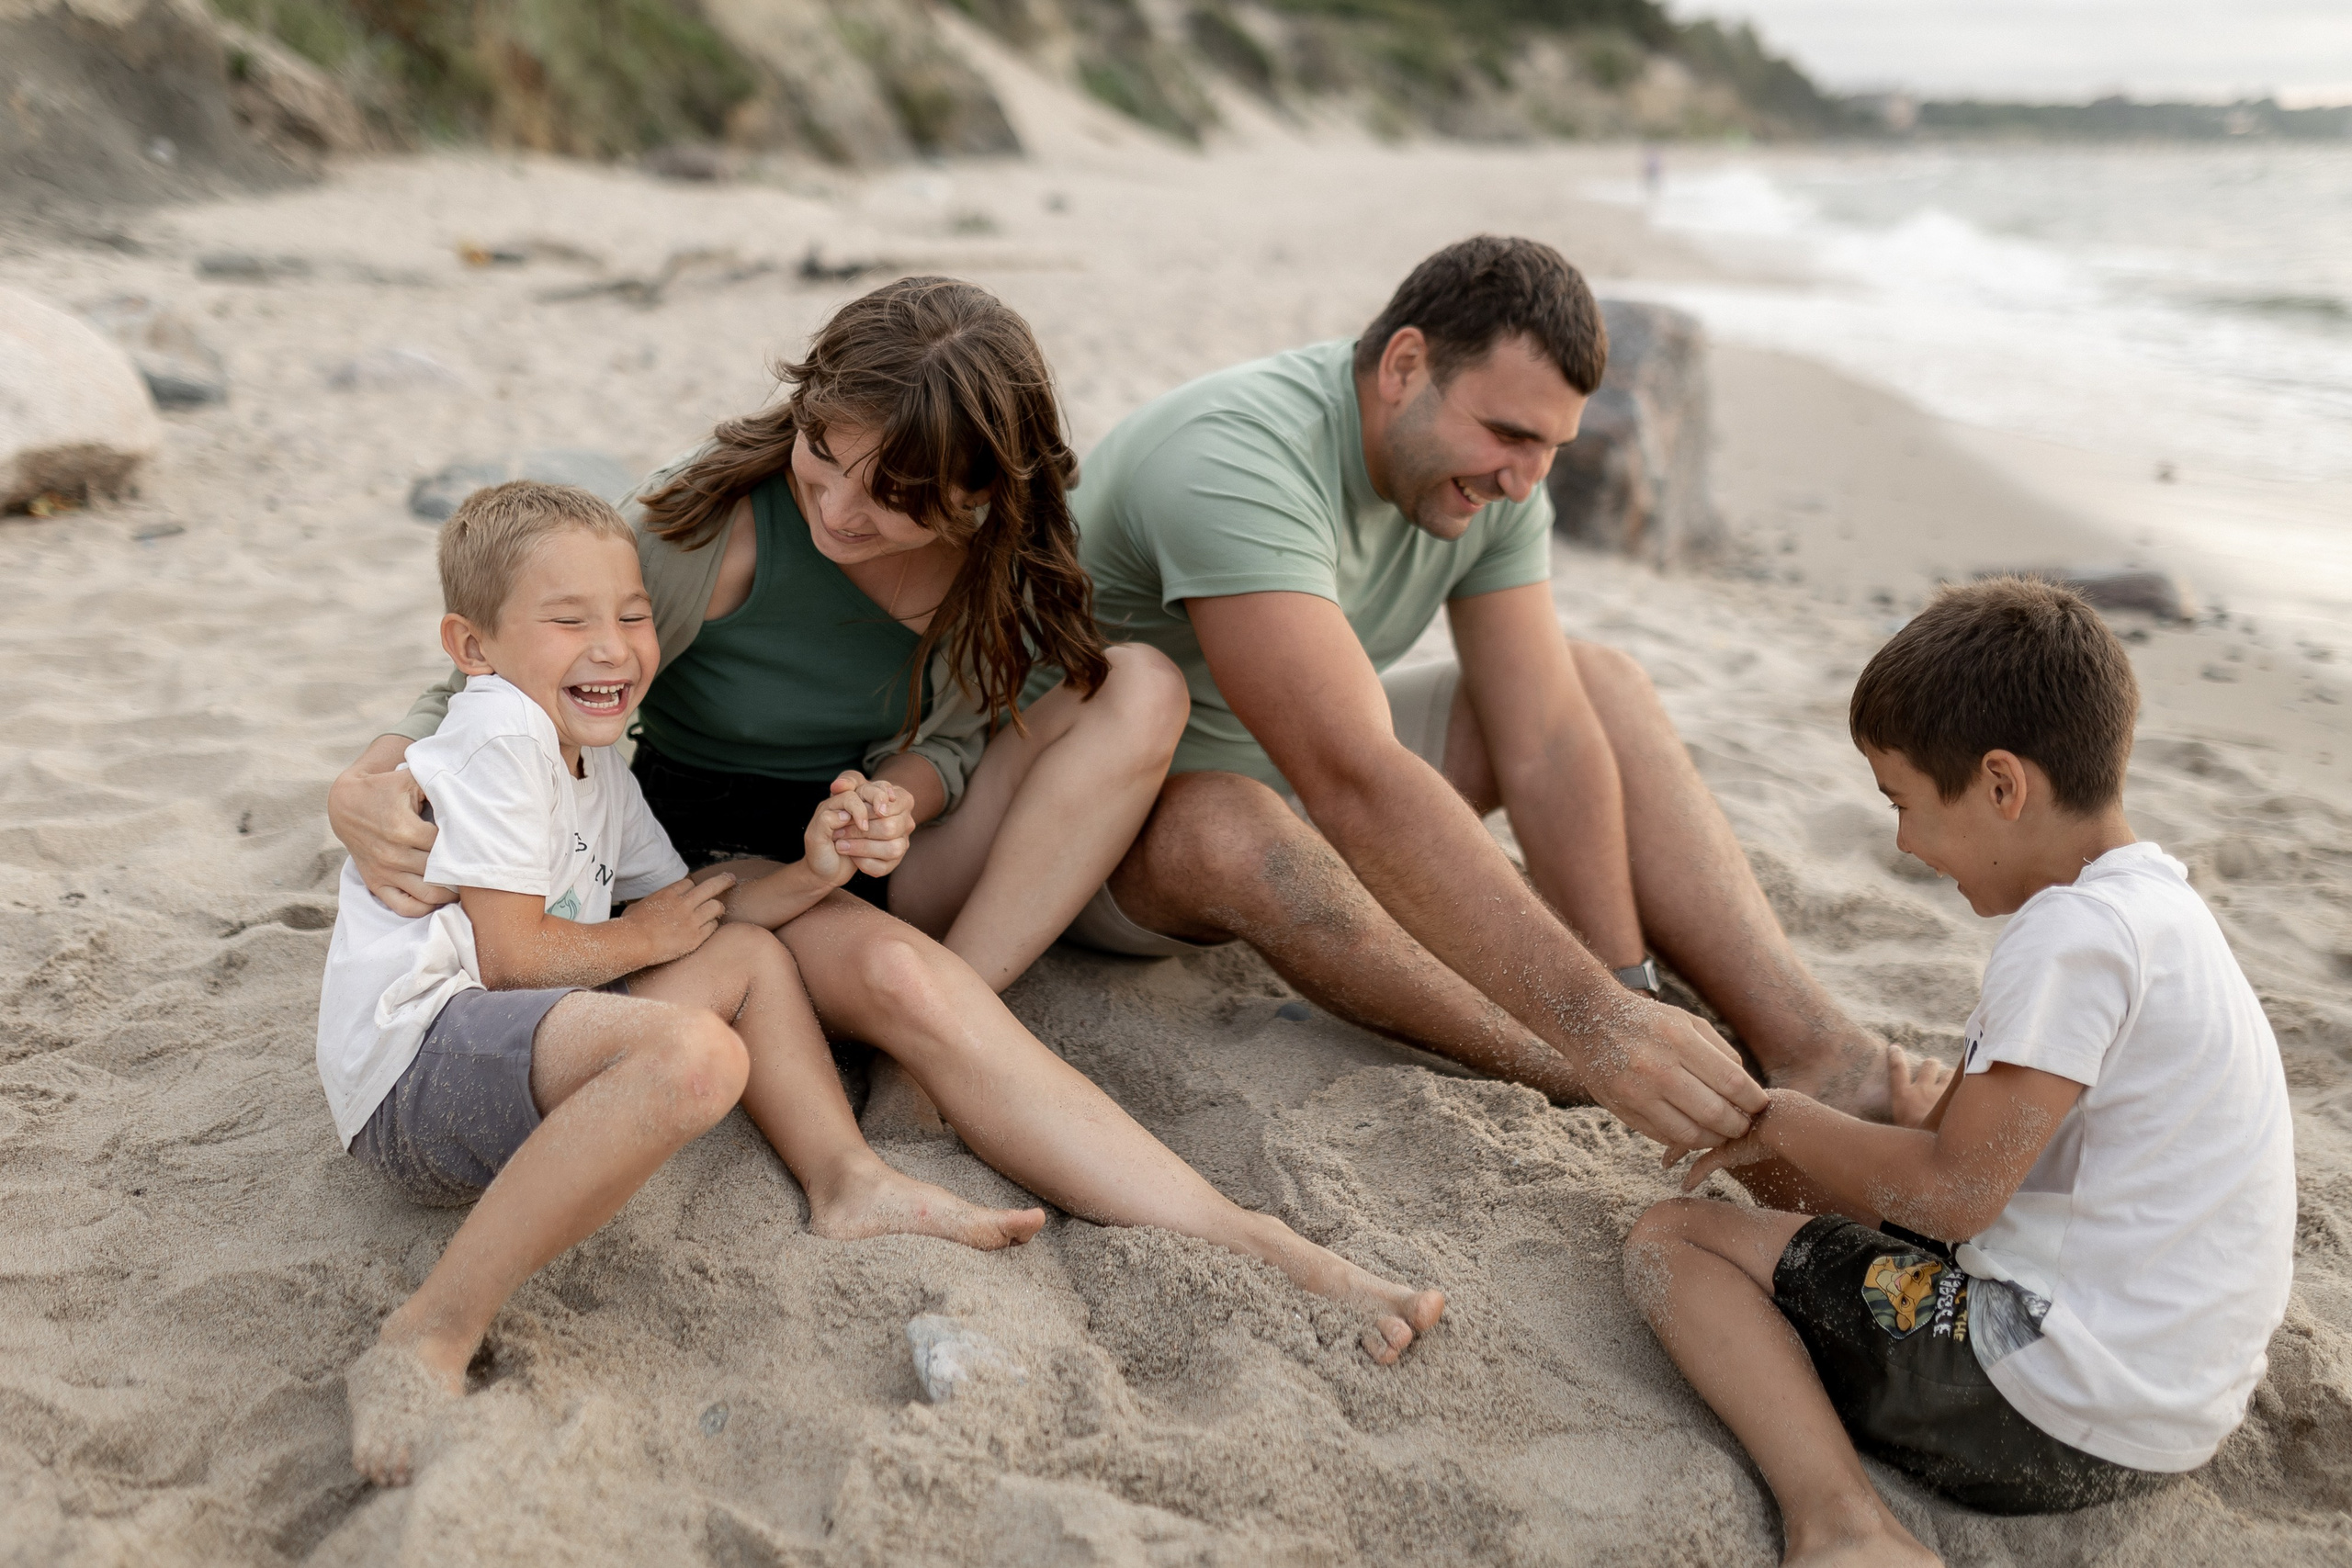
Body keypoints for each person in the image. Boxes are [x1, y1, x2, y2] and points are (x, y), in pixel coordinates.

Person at [1061, 233, 1912, 1155]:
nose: (1524, 476)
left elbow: (1544, 739)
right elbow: (1351, 779)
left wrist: (1622, 986)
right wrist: (1595, 1033)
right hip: (1101, 829)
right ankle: (1571, 1073)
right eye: (1506, 433)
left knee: (1597, 683)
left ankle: (1818, 1052)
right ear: (1403, 365)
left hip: (1292, 778)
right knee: (1233, 826)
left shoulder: (1493, 483)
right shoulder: (1236, 459)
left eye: (1551, 445)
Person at [328, 276, 1191, 1129]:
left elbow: (956, 747)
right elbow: (496, 672)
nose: (840, 510)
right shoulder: (707, 519)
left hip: (872, 851)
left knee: (1141, 684)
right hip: (717, 857)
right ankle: (928, 1024)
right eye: (822, 450)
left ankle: (947, 1015)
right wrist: (358, 788)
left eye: (892, 493)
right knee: (893, 973)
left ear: (978, 494)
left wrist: (896, 800)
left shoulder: (1001, 557)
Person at [325, 481, 1050, 1485]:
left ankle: (848, 1180)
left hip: (513, 1039)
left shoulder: (600, 766)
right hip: (419, 1071)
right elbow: (507, 958)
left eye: (631, 615)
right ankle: (429, 1333)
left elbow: (700, 914)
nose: (614, 646)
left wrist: (809, 872)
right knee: (695, 1057)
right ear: (475, 648)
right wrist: (638, 940)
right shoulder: (499, 731)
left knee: (746, 961)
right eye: (569, 620)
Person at [1623, 579, 2294, 1564]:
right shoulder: (2155, 909)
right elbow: (2030, 1147)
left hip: (2049, 1410)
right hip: (2168, 1409)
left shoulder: (2068, 936)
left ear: (1999, 785)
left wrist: (1771, 1117)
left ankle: (1841, 1523)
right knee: (1801, 1191)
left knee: (1669, 1240)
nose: (1901, 840)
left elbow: (1960, 1194)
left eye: (1901, 801)